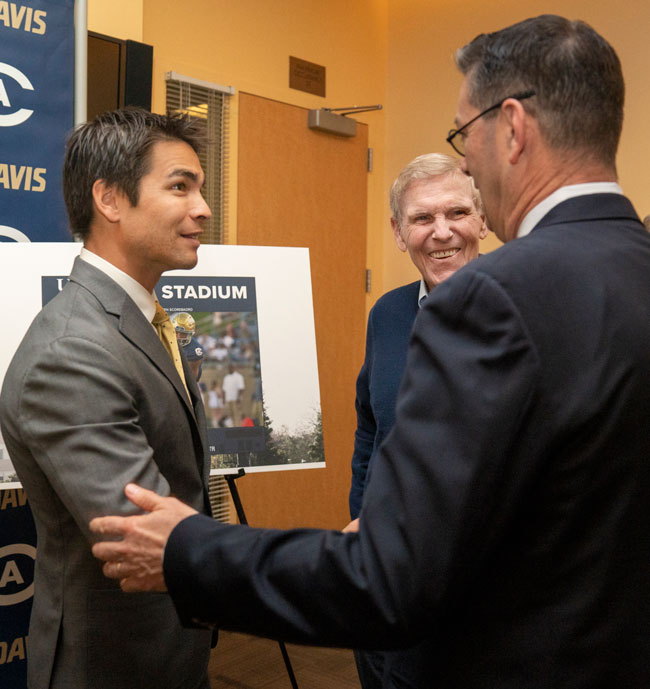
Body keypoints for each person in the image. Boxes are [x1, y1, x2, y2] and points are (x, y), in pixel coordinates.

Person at [90, 16, 650, 689]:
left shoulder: (491, 299)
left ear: (512, 127)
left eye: (462, 135)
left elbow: (390, 580)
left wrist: (190, 548)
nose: (467, 162)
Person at [0, 107, 214, 689]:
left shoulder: (139, 320)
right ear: (111, 200)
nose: (203, 208)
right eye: (180, 186)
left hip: (168, 646)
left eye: (201, 189)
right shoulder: (71, 351)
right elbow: (141, 531)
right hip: (113, 664)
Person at [347, 153, 486, 688]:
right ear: (399, 233)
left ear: (482, 219)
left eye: (456, 213)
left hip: (466, 594)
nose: (442, 232)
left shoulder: (519, 312)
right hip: (380, 574)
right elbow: (369, 427)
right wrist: (363, 514)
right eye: (422, 219)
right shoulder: (388, 314)